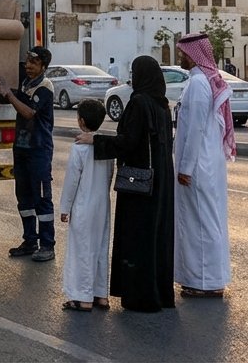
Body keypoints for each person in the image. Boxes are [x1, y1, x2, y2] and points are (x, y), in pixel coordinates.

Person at [75, 55, 175, 312]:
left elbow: (129, 141)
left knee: (137, 237)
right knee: (155, 238)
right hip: (160, 183)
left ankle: (139, 296)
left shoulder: (139, 103)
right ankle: (159, 293)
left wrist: (96, 140)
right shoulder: (162, 105)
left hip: (139, 185)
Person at [173, 33, 234, 298]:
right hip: (205, 161)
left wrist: (185, 168)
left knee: (201, 223)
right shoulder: (199, 80)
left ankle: (206, 282)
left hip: (199, 164)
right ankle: (203, 278)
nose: (180, 57)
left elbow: (195, 129)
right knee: (203, 220)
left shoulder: (199, 83)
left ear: (192, 55)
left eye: (182, 53)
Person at [0, 46, 56, 263]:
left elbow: (29, 113)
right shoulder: (26, 83)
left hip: (39, 150)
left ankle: (47, 244)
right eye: (28, 61)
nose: (28, 66)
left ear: (43, 67)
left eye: (34, 63)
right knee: (24, 197)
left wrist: (8, 94)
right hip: (22, 148)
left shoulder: (44, 87)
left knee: (42, 199)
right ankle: (30, 241)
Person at [59, 99, 112, 311]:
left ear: (81, 121)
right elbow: (109, 176)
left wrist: (65, 208)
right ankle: (101, 295)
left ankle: (83, 297)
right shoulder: (106, 147)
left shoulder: (79, 147)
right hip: (102, 205)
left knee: (81, 249)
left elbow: (72, 181)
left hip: (83, 205)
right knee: (100, 247)